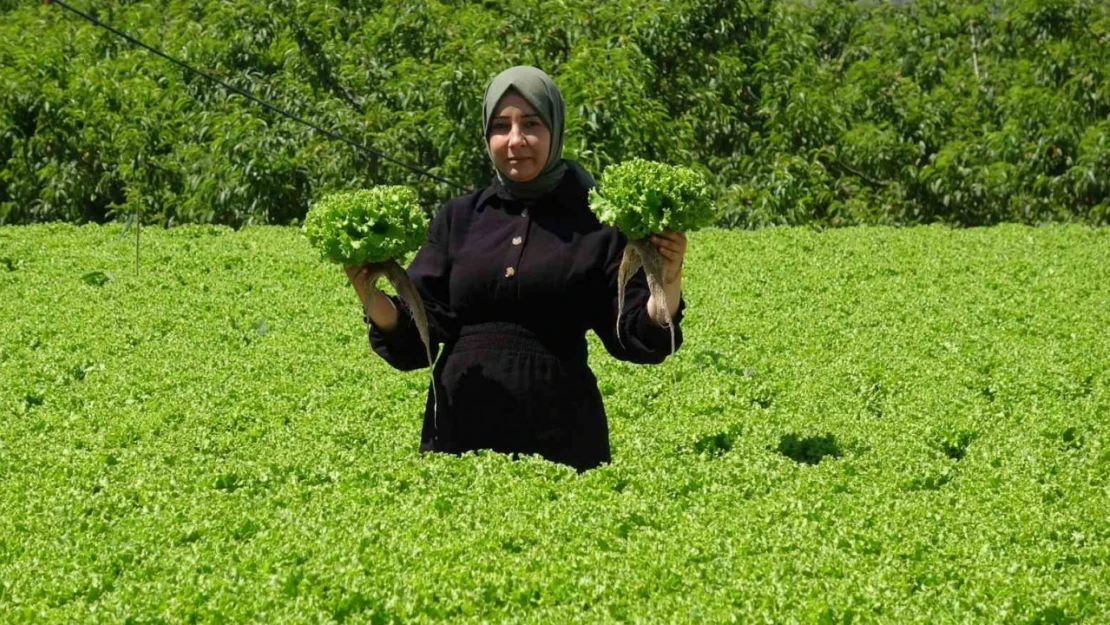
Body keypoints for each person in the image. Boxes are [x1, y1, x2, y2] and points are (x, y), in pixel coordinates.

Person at [344, 66, 688, 471]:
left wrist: (667, 280)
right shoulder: (459, 218)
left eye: (531, 124)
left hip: (561, 434)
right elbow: (418, 333)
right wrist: (369, 294)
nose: (515, 140)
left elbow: (634, 335)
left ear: (555, 129)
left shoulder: (596, 221)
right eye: (501, 126)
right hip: (459, 430)